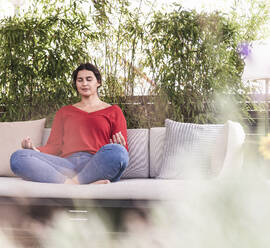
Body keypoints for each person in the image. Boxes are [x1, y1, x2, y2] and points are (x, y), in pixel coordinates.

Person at [10, 63, 129, 184]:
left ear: (98, 82)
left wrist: (119, 146)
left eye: (89, 79)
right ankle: (75, 183)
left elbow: (122, 152)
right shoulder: (64, 112)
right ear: (76, 84)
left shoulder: (114, 111)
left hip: (96, 163)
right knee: (18, 157)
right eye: (80, 80)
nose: (84, 83)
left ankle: (74, 182)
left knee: (118, 153)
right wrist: (33, 150)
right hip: (66, 165)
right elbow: (54, 146)